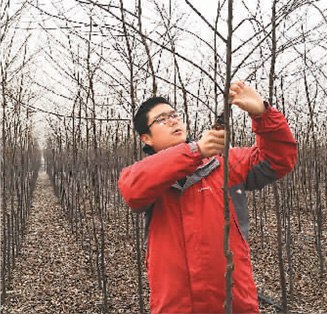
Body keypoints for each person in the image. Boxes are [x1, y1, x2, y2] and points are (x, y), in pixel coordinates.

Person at [118, 81, 297, 314]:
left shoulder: (224, 165)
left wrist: (262, 114)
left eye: (174, 114)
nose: (173, 120)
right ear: (146, 138)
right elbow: (132, 190)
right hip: (176, 306)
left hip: (233, 303)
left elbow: (278, 159)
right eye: (161, 119)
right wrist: (194, 151)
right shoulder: (144, 175)